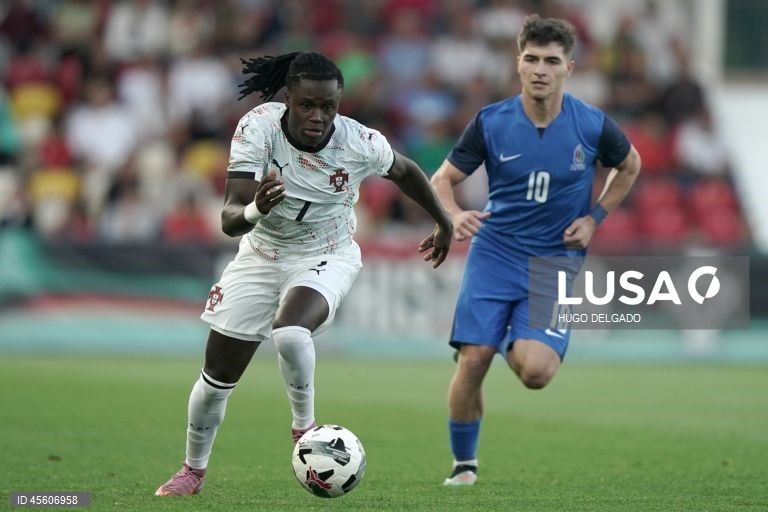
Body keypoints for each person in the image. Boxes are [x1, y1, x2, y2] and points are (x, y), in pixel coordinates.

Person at [155, 51, 453, 497]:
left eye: (328, 107)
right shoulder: (258, 127)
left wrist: (442, 219)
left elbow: (406, 171)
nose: (318, 116)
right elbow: (230, 218)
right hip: (260, 254)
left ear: (339, 103)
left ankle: (304, 429)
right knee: (214, 383)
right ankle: (192, 472)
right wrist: (259, 206)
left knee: (291, 333)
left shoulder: (359, 142)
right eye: (307, 105)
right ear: (288, 99)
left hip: (327, 253)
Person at [430, 15, 642, 486]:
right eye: (531, 59)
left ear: (569, 66)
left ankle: (502, 334)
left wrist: (595, 219)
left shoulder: (591, 125)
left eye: (551, 61)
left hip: (554, 264)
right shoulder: (491, 122)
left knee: (535, 373)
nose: (540, 69)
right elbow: (441, 179)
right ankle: (464, 467)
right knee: (473, 361)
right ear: (518, 63)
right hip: (495, 253)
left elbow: (629, 166)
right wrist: (452, 214)